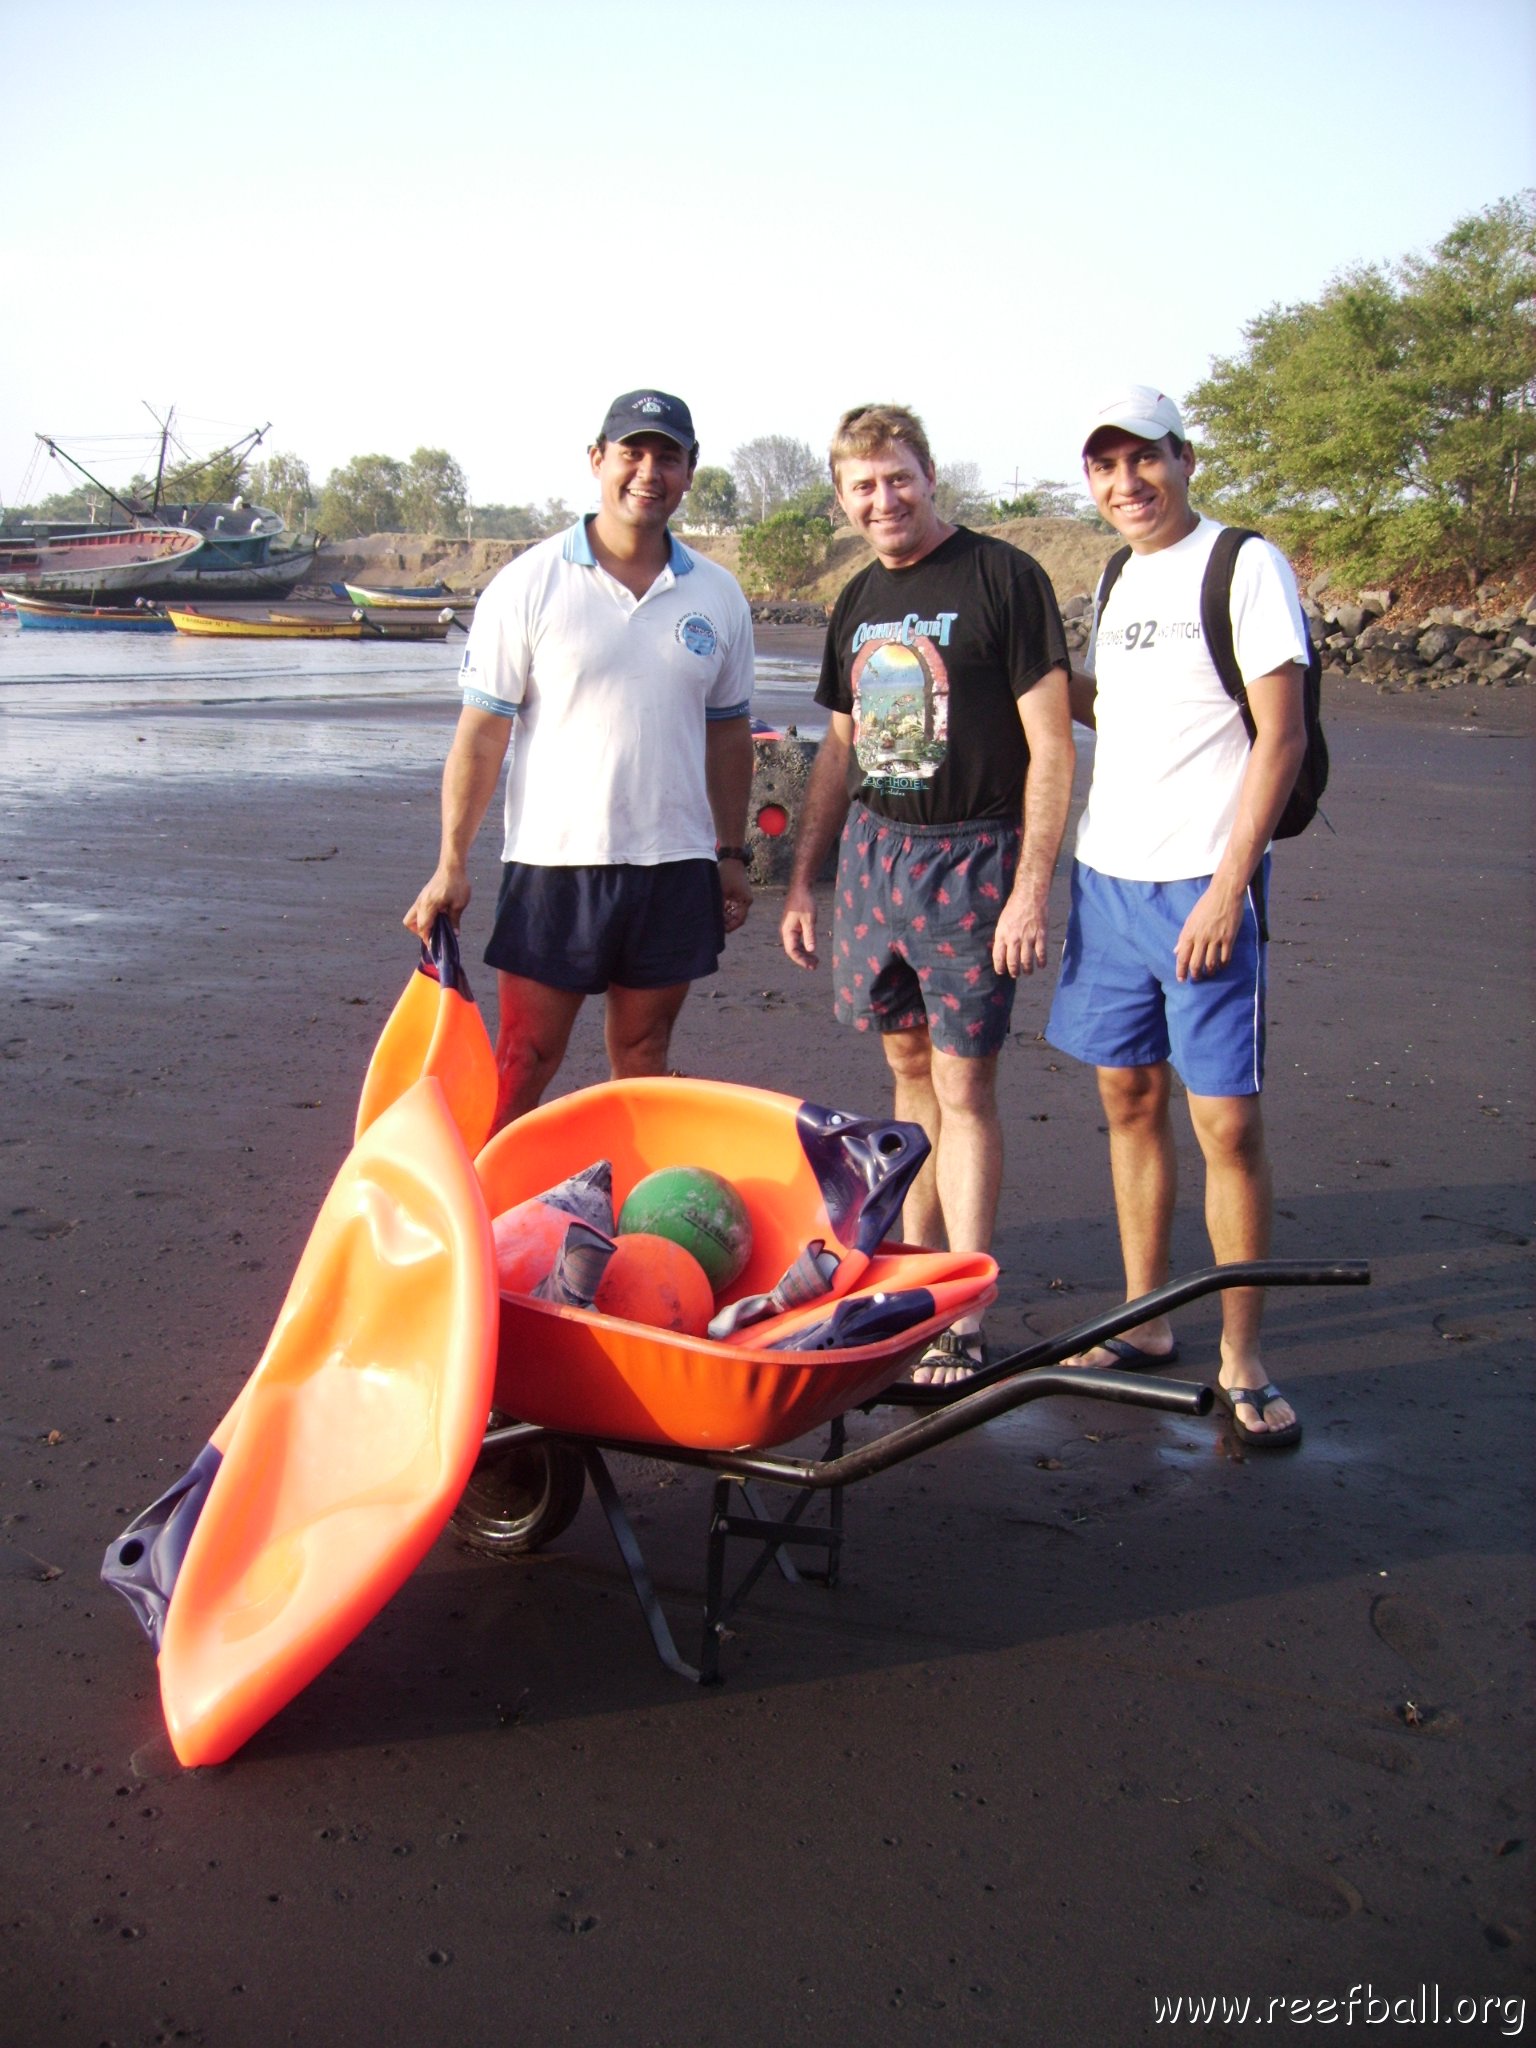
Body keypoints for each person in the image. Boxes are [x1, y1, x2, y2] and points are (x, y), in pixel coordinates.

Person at [780, 403, 1074, 1383]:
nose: (883, 498)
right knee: (907, 1067)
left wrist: (1031, 888)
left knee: (963, 1081)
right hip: (877, 855)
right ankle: (914, 1271)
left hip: (975, 856)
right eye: (863, 485)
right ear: (843, 499)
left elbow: (1053, 743)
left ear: (929, 475)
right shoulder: (858, 596)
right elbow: (839, 744)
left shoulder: (1003, 577)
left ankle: (965, 1303)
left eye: (897, 477)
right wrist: (805, 880)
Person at [1046, 384, 1310, 1446]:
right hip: (1106, 879)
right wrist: (1015, 675)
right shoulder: (1115, 575)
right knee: (1126, 1096)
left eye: (1142, 458)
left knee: (1227, 1121)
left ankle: (1243, 1352)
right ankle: (1146, 1315)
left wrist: (1228, 883)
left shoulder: (1245, 565)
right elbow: (1121, 707)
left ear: (1185, 457)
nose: (1126, 483)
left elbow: (1280, 738)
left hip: (1203, 886)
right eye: (1104, 466)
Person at [404, 390, 756, 1128]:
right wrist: (451, 861)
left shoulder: (718, 595)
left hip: (675, 865)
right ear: (597, 460)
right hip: (555, 865)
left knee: (645, 1056)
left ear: (690, 471)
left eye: (668, 456)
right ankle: (487, 1222)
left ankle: (630, 1212)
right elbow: (482, 733)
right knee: (524, 1059)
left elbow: (729, 732)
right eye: (632, 452)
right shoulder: (530, 582)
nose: (648, 472)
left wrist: (731, 852)